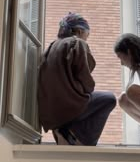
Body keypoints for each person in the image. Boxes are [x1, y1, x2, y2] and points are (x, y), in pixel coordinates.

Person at [38, 12, 116, 145]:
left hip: (50, 114)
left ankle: (66, 133)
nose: (87, 39)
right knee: (109, 99)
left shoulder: (52, 46)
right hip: (68, 108)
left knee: (88, 103)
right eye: (87, 35)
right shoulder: (77, 43)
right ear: (80, 31)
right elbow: (87, 83)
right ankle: (80, 140)